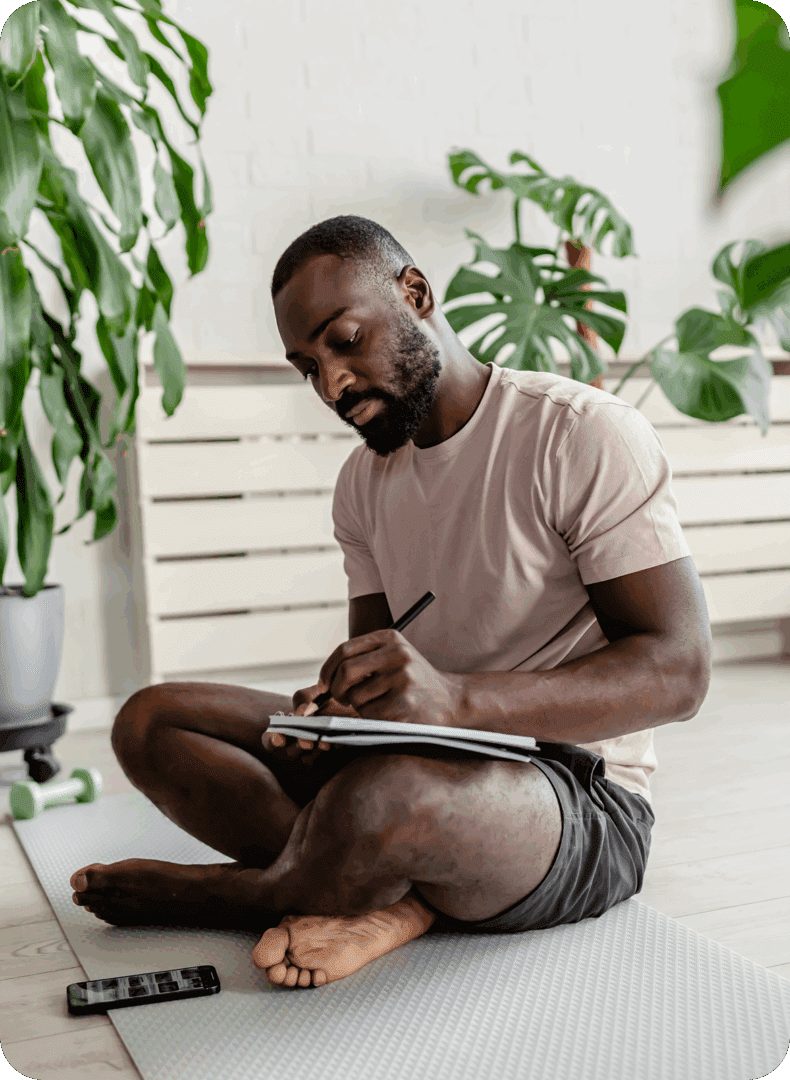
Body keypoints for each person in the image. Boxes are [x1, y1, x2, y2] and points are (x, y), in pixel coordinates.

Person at [70, 215, 712, 990]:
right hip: (419, 758)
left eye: (344, 340)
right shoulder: (362, 486)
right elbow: (375, 681)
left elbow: (679, 672)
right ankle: (380, 892)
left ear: (415, 294)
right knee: (152, 719)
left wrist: (454, 702)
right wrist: (332, 711)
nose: (332, 385)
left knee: (385, 799)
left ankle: (256, 893)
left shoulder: (580, 434)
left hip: (577, 797)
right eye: (307, 367)